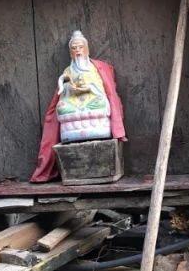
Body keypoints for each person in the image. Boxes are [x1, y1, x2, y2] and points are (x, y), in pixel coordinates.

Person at [30, 30, 126, 182]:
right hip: (74, 103)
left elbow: (101, 88)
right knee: (61, 108)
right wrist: (69, 88)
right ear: (70, 52)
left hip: (91, 100)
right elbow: (63, 89)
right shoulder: (69, 70)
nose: (78, 51)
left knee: (101, 103)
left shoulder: (95, 68)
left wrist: (88, 88)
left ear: (86, 49)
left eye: (80, 47)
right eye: (74, 48)